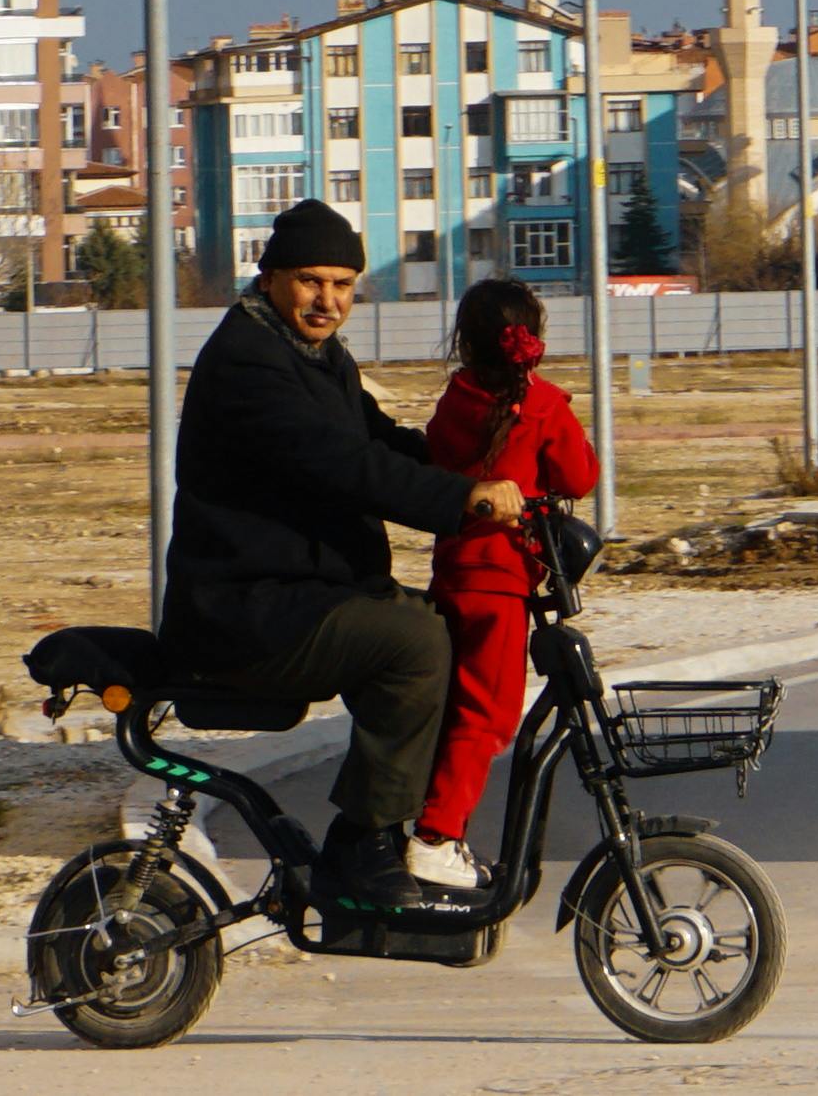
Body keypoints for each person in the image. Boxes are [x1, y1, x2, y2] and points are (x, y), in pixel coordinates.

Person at [165, 199, 524, 907]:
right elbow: (341, 463)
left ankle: (401, 833)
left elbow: (378, 440)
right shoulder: (249, 362)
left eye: (342, 284)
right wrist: (461, 500)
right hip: (244, 608)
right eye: (310, 280)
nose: (327, 299)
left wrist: (471, 473)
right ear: (269, 278)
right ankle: (359, 846)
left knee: (440, 629)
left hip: (299, 594)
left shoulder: (313, 355)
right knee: (413, 643)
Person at [407, 277, 593, 892]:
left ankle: (430, 823)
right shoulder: (542, 406)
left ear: (466, 340)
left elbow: (434, 462)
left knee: (453, 705)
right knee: (486, 716)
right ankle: (435, 836)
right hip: (503, 580)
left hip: (454, 573)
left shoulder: (455, 400)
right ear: (533, 337)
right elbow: (581, 475)